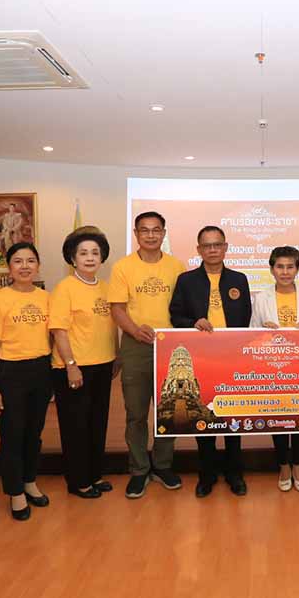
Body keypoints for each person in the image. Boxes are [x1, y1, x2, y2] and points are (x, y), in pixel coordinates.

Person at [170, 226, 253, 497]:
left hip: (232, 359)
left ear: (226, 247)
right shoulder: (186, 281)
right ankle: (206, 474)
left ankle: (234, 473)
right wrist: (193, 323)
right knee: (203, 415)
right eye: (207, 245)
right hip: (201, 358)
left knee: (232, 416)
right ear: (199, 250)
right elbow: (176, 316)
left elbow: (246, 317)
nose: (213, 250)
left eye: (217, 244)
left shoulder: (239, 279)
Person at [108, 211, 186, 498]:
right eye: (145, 230)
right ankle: (139, 470)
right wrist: (133, 330)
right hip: (135, 345)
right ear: (136, 234)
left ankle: (163, 466)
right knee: (136, 413)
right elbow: (117, 308)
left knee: (169, 411)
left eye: (156, 230)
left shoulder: (177, 266)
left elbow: (184, 307)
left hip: (170, 347)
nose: (151, 235)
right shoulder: (123, 267)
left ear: (163, 233)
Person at [0, 242, 52, 521]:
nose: (25, 266)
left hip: (41, 369)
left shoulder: (47, 297)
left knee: (34, 432)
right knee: (12, 433)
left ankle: (29, 481)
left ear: (38, 266)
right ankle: (15, 491)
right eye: (18, 261)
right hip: (10, 372)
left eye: (30, 261)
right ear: (9, 267)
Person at [49, 228, 118, 499]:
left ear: (102, 258)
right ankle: (79, 481)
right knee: (75, 427)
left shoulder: (105, 288)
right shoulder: (65, 288)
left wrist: (116, 356)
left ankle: (94, 474)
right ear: (72, 258)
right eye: (83, 253)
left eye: (95, 253)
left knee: (97, 423)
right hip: (74, 368)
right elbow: (59, 330)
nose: (90, 258)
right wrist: (71, 364)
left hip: (103, 364)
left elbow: (110, 326)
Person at [251, 245, 299, 492]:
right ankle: (283, 465)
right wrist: (264, 331)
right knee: (279, 416)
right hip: (274, 368)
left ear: (297, 269)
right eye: (280, 267)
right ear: (272, 269)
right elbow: (251, 332)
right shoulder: (261, 297)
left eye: (290, 266)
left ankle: (298, 465)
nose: (285, 272)